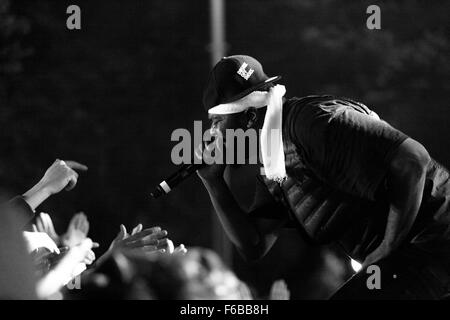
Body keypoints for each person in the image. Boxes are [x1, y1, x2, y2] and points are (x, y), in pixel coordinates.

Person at [197, 55, 450, 299]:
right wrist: (213, 181)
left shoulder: (314, 123)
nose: (213, 132)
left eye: (217, 121)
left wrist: (387, 248)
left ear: (249, 117)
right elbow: (254, 245)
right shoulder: (274, 160)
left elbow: (413, 159)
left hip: (433, 242)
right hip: (411, 254)